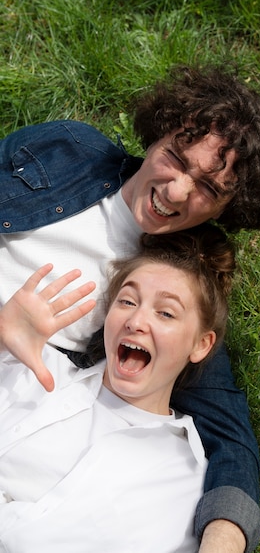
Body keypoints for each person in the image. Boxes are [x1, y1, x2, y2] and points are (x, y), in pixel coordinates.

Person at [0, 64, 260, 552]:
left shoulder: (175, 279)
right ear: (159, 131)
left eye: (209, 188)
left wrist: (221, 542)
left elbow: (229, 437)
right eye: (177, 159)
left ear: (230, 208)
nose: (177, 191)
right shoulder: (66, 149)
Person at [0, 224, 235, 552]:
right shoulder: (32, 372)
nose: (136, 321)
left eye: (166, 312)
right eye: (127, 301)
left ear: (200, 344)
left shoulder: (181, 479)